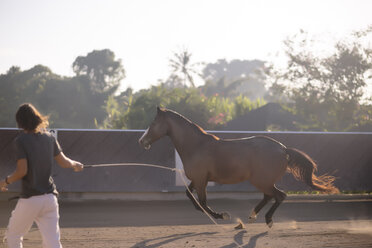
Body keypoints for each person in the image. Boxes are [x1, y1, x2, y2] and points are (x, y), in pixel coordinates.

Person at [0, 103, 84, 248]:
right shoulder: (50, 138)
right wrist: (75, 164)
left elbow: (22, 171)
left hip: (30, 199)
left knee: (14, 235)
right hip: (50, 199)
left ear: (20, 121)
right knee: (53, 243)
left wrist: (5, 182)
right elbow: (64, 162)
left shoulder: (21, 141)